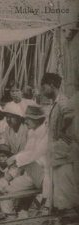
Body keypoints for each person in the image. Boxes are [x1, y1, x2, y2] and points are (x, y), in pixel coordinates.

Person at [40, 73, 79, 213]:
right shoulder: (56, 103)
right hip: (58, 154)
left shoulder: (62, 101)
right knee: (60, 194)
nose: (42, 90)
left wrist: (62, 131)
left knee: (66, 194)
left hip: (64, 154)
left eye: (43, 86)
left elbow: (70, 114)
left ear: (51, 84)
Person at [5, 105, 48, 218]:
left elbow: (35, 155)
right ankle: (12, 216)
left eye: (28, 118)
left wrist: (16, 158)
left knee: (26, 162)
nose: (25, 121)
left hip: (45, 173)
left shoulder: (46, 133)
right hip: (32, 174)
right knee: (8, 190)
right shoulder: (31, 133)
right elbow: (27, 152)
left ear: (37, 119)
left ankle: (6, 179)